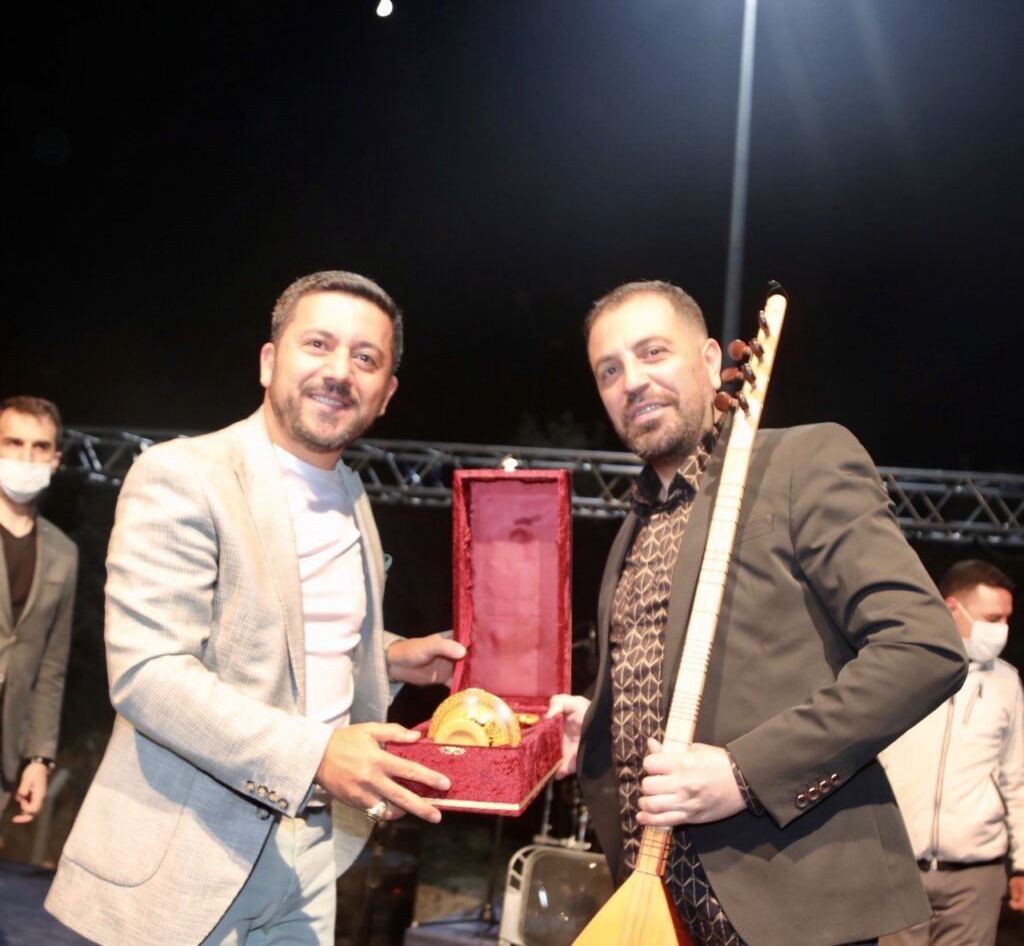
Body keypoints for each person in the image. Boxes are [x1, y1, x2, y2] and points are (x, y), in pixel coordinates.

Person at [46, 271, 465, 944]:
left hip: (314, 853)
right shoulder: (183, 474)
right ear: (270, 361)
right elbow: (148, 673)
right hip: (189, 856)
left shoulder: (352, 494)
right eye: (318, 344)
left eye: (365, 357)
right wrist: (315, 754)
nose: (339, 371)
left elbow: (287, 628)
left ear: (386, 394)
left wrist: (389, 655)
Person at [547, 281, 968, 946]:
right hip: (655, 907)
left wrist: (745, 774)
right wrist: (604, 720)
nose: (633, 380)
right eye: (610, 369)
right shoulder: (633, 527)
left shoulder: (801, 461)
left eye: (653, 352)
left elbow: (924, 650)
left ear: (711, 359)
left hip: (789, 906)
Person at [879, 560, 1023, 946]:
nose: (1002, 629)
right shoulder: (899, 671)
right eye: (993, 619)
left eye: (1007, 619)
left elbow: (1017, 779)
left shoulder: (1007, 682)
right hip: (896, 867)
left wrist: (1022, 864)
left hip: (976, 876)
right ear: (951, 608)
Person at [0, 395, 77, 826]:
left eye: (40, 447)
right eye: (13, 443)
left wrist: (39, 757)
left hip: (6, 752)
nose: (26, 458)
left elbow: (52, 666)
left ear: (55, 460)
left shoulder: (63, 553)